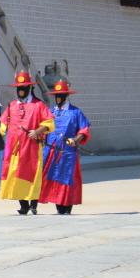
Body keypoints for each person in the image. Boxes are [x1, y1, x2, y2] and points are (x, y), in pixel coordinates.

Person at [0, 71, 55, 215]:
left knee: (33, 174)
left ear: (29, 88)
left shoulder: (38, 105)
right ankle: (23, 205)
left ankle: (33, 204)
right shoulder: (12, 105)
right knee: (16, 174)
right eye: (19, 88)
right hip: (14, 149)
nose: (20, 90)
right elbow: (4, 123)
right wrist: (2, 127)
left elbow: (49, 123)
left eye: (23, 87)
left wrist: (37, 131)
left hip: (31, 148)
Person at [39, 80, 91, 214]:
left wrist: (75, 139)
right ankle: (58, 205)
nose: (58, 98)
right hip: (51, 152)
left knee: (67, 178)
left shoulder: (75, 112)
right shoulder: (51, 112)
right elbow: (43, 129)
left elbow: (84, 129)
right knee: (53, 176)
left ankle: (67, 206)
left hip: (68, 153)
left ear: (65, 96)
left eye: (60, 95)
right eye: (56, 95)